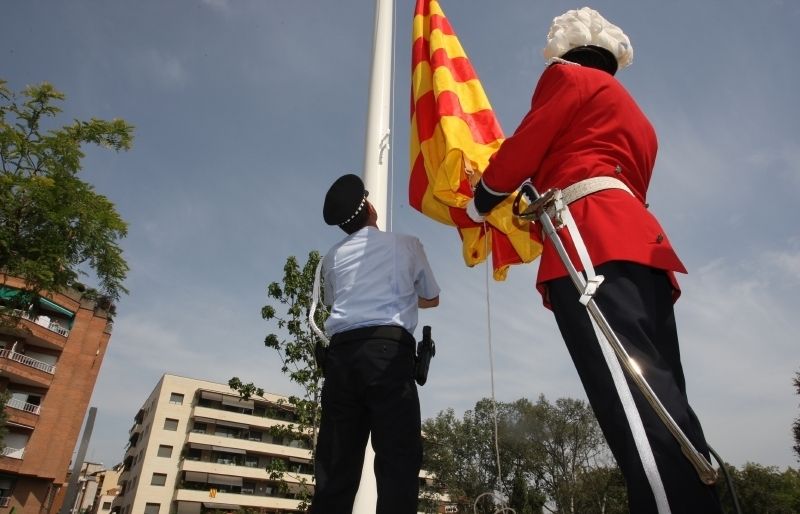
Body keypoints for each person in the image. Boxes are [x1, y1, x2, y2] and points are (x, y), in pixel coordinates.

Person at [467, 7, 722, 514]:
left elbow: (528, 145)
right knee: (664, 397)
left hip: (589, 238)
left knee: (636, 409)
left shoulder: (567, 79)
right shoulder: (640, 120)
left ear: (567, 52)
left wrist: (481, 197)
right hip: (641, 245)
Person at [311, 173, 440, 514]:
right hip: (388, 356)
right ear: (370, 207)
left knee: (335, 469)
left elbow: (332, 301)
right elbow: (431, 297)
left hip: (341, 359)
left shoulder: (330, 260)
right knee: (398, 463)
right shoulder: (406, 245)